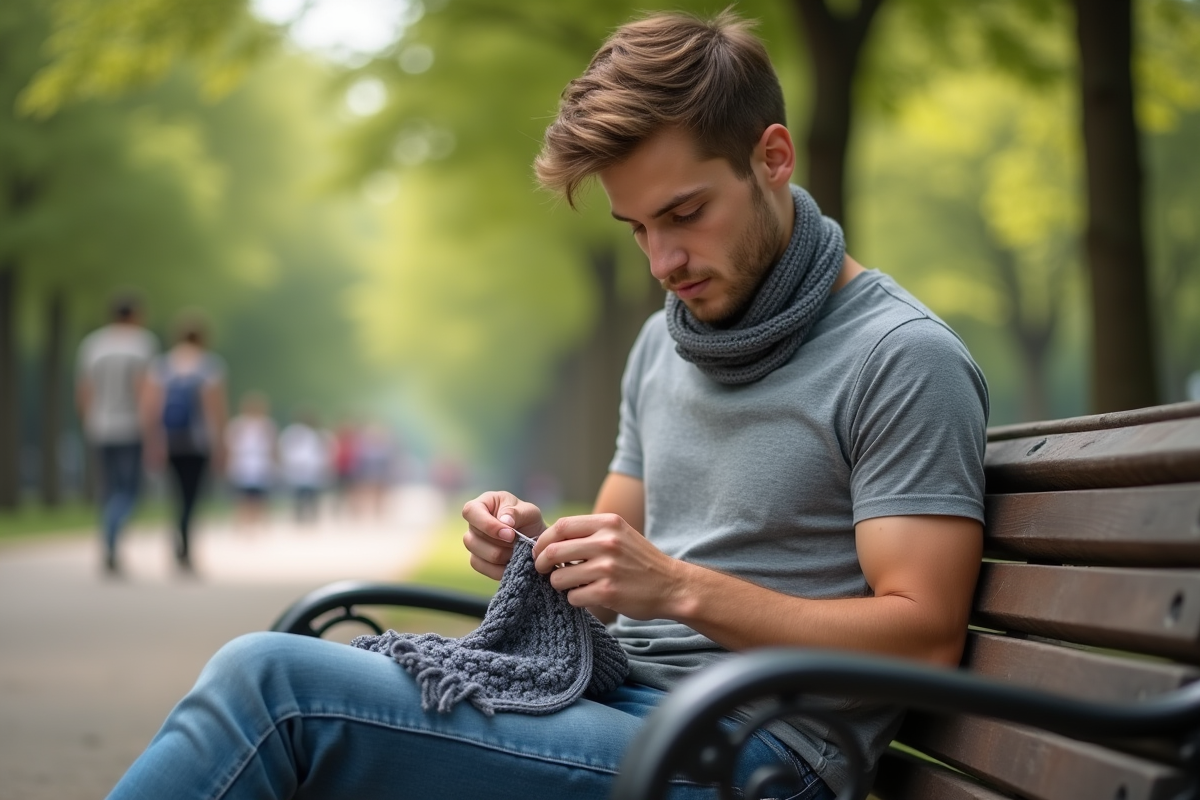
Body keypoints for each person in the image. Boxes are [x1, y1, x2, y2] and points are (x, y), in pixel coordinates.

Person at [105, 11, 987, 800]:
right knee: (278, 686)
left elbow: (925, 635)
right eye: (638, 228)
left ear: (774, 157)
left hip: (753, 754)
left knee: (275, 690)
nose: (663, 261)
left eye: (686, 212)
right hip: (622, 704)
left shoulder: (898, 358)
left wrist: (677, 588)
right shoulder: (664, 344)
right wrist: (537, 545)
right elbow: (610, 571)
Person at [76, 293, 159, 573]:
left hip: (99, 426)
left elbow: (85, 389)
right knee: (129, 490)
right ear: (135, 315)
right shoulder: (141, 343)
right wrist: (152, 430)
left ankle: (109, 537)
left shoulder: (93, 344)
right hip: (130, 426)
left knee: (108, 487)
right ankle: (112, 535)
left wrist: (88, 420)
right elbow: (145, 390)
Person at [143, 313, 227, 572]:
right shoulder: (210, 365)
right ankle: (186, 547)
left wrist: (152, 441)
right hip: (198, 442)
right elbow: (216, 408)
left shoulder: (163, 365)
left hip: (170, 440)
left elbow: (152, 407)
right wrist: (221, 445)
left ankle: (178, 540)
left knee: (175, 494)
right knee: (192, 496)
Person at [224, 391, 277, 529]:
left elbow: (272, 447)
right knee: (242, 495)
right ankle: (242, 522)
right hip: (243, 464)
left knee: (260, 496)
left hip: (260, 463)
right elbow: (230, 446)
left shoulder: (267, 425)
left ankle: (259, 522)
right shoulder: (237, 425)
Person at [277, 410, 331, 524]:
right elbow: (285, 450)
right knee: (299, 495)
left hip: (313, 470)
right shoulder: (293, 434)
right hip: (298, 470)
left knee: (313, 495)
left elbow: (324, 453)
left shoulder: (318, 435)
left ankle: (312, 518)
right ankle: (300, 517)